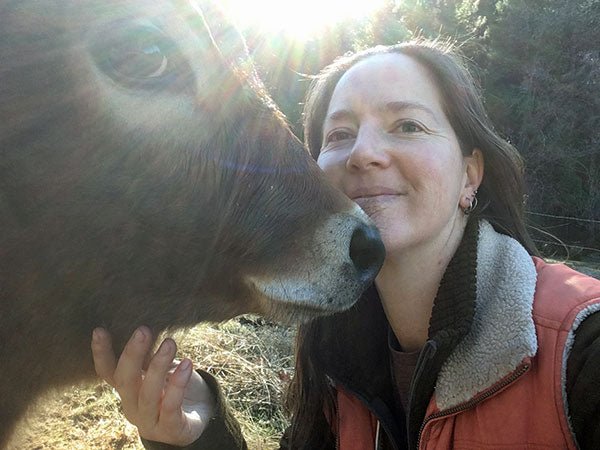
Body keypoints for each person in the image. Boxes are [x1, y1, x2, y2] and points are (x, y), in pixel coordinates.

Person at [91, 40, 600, 449]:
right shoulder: (333, 355)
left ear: (471, 174)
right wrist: (197, 431)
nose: (364, 153)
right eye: (339, 135)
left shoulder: (582, 351)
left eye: (407, 125)